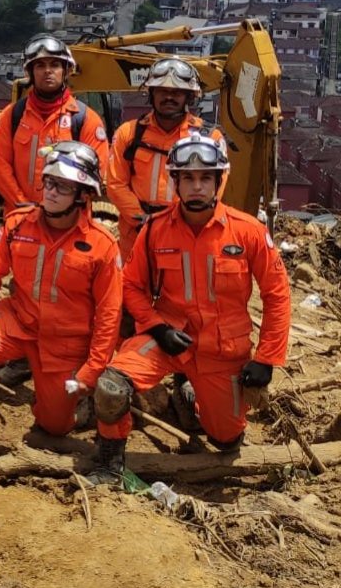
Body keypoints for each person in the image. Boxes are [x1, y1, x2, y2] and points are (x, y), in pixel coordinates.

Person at [91, 133, 290, 483]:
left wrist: (267, 359)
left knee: (226, 439)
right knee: (112, 387)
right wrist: (156, 327)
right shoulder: (154, 231)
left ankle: (191, 398)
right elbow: (132, 286)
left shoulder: (249, 232)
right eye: (188, 178)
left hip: (222, 351)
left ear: (218, 180)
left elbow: (277, 293)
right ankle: (109, 462)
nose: (197, 186)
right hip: (168, 341)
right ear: (176, 182)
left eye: (205, 178)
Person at [0, 142, 122, 477]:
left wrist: (92, 370)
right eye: (49, 182)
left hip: (64, 343)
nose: (51, 192)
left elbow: (109, 316)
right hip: (17, 323)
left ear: (83, 195)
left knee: (52, 428)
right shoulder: (18, 225)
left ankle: (79, 409)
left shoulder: (102, 246)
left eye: (63, 186)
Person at [107, 57, 226, 256]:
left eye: (177, 92)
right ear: (151, 93)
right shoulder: (128, 134)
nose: (169, 97)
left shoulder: (210, 139)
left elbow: (214, 190)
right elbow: (115, 184)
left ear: (189, 96)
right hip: (136, 237)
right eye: (162, 90)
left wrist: (176, 222)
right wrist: (142, 219)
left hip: (185, 234)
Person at [0, 35, 108, 210]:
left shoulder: (85, 119)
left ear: (66, 70)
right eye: (40, 65)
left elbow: (96, 173)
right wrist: (22, 205)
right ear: (30, 72)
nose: (47, 70)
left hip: (69, 221)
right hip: (20, 217)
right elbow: (0, 166)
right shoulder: (12, 115)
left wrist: (59, 211)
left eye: (54, 64)